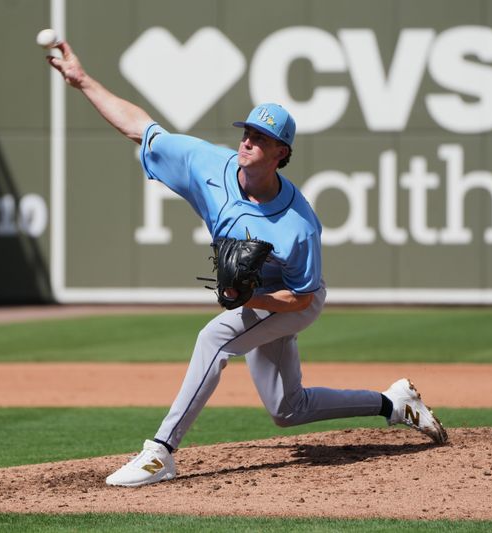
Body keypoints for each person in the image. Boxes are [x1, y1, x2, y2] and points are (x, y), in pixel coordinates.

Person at [46, 40, 448, 488]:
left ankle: (160, 453)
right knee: (287, 409)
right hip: (260, 299)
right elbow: (141, 129)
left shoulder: (298, 225)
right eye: (248, 131)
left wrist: (248, 298)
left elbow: (302, 296)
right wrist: (82, 81)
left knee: (214, 340)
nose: (248, 140)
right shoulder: (208, 165)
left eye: (261, 137)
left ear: (282, 153)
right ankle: (394, 404)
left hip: (292, 299)